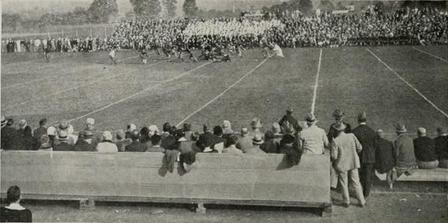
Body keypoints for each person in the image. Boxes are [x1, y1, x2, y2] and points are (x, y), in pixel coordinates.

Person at [330, 123, 366, 208]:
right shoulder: (351, 136)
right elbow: (360, 147)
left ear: (336, 130)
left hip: (342, 164)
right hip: (353, 162)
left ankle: (346, 201)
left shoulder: (335, 140)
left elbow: (334, 156)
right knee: (356, 182)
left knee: (343, 183)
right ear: (344, 129)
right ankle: (362, 201)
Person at [352, 112, 377, 198]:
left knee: (359, 176)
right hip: (370, 157)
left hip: (359, 157)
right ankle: (365, 193)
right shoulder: (372, 131)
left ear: (358, 120)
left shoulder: (354, 131)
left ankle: (360, 193)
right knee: (368, 175)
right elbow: (375, 145)